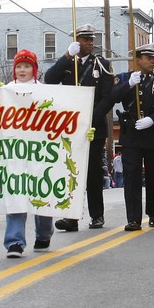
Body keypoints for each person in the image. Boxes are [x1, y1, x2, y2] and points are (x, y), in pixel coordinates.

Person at [43, 24, 115, 231]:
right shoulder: (68, 63)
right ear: (76, 40)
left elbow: (108, 97)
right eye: (85, 39)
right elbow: (49, 80)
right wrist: (66, 56)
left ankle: (97, 215)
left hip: (93, 126)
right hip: (70, 128)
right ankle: (71, 217)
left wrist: (89, 117)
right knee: (70, 173)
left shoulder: (102, 64)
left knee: (92, 172)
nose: (90, 42)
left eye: (91, 39)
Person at [0, 49, 54, 257]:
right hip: (14, 153)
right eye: (19, 66)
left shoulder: (46, 92)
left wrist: (82, 132)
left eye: (27, 66)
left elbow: (63, 117)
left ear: (34, 69)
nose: (22, 70)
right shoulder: (5, 91)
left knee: (42, 192)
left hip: (40, 151)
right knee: (15, 194)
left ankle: (44, 234)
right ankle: (15, 242)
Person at [111, 44, 154, 231]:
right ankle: (133, 219)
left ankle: (153, 213)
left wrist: (153, 120)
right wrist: (128, 85)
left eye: (153, 58)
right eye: (148, 57)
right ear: (137, 59)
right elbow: (112, 97)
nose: (152, 61)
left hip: (153, 134)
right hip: (132, 135)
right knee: (132, 178)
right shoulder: (124, 79)